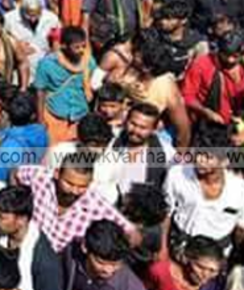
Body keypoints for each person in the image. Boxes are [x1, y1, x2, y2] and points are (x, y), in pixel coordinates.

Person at [14, 152, 135, 254]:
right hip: (24, 247)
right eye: (69, 184)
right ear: (57, 174)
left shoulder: (95, 203)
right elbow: (16, 173)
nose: (75, 191)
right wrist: (18, 204)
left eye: (82, 186)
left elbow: (131, 232)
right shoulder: (40, 177)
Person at [163, 125, 244, 253]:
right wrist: (163, 251)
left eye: (208, 157)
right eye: (198, 153)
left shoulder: (239, 189)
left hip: (217, 254)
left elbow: (241, 228)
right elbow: (165, 213)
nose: (200, 161)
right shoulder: (176, 174)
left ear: (224, 160)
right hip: (180, 246)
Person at [34, 27, 96, 145]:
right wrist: (40, 118)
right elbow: (40, 92)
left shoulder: (89, 62)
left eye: (83, 46)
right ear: (63, 46)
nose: (81, 50)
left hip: (79, 115)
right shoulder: (47, 64)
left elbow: (92, 84)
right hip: (55, 115)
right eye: (76, 47)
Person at [102, 102, 175, 200]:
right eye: (133, 124)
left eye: (143, 128)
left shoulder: (166, 153)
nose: (136, 130)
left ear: (154, 129)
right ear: (126, 120)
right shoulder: (110, 140)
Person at [181, 28, 244, 127]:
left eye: (235, 56)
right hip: (209, 125)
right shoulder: (201, 64)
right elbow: (187, 96)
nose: (230, 60)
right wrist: (206, 112)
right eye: (225, 55)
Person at [4, 0, 61, 80]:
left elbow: (57, 40)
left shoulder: (52, 18)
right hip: (20, 64)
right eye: (29, 15)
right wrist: (15, 44)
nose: (33, 19)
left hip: (44, 62)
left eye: (36, 15)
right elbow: (1, 37)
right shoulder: (9, 18)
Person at [0, 92, 48, 183]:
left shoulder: (7, 147)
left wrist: (1, 132)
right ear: (33, 116)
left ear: (8, 116)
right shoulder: (41, 132)